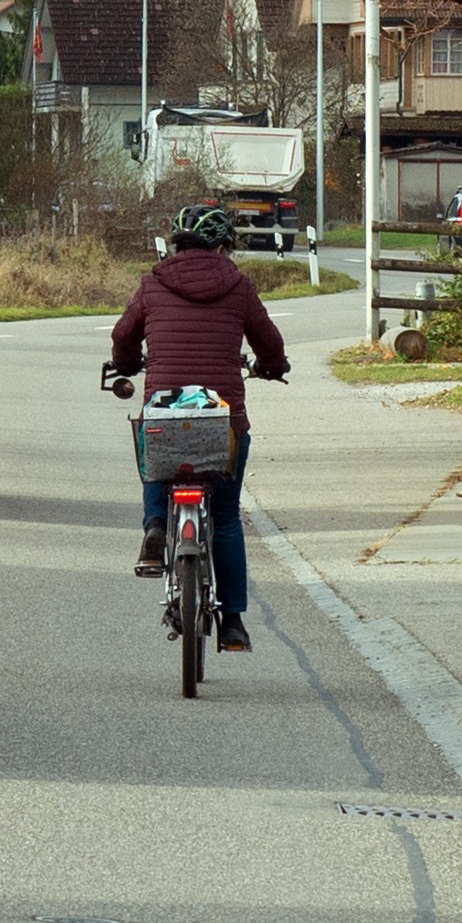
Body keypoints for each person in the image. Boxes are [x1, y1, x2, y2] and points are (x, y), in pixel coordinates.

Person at [105, 208, 292, 652]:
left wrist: (128, 363)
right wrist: (272, 366)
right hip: (222, 419)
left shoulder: (152, 283)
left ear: (177, 244)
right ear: (222, 246)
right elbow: (270, 342)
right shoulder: (239, 285)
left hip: (165, 413)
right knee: (225, 518)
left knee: (157, 459)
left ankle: (155, 526)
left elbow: (124, 335)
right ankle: (233, 622)